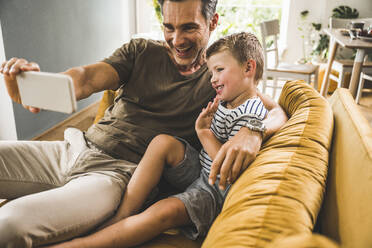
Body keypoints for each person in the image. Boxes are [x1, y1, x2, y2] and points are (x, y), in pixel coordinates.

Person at [0, 0, 287, 247]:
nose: (176, 40)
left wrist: (252, 131)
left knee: (9, 225)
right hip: (72, 148)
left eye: (189, 27)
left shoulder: (219, 77)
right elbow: (85, 78)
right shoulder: (140, 51)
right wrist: (35, 85)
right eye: (169, 27)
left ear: (212, 22)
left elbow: (276, 111)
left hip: (113, 177)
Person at [47, 31, 270, 248]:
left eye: (219, 70)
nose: (213, 79)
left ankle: (83, 244)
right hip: (201, 169)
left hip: (216, 188)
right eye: (212, 72)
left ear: (249, 68)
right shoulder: (229, 97)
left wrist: (204, 133)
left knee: (165, 212)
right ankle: (123, 214)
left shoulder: (251, 113)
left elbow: (226, 168)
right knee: (163, 141)